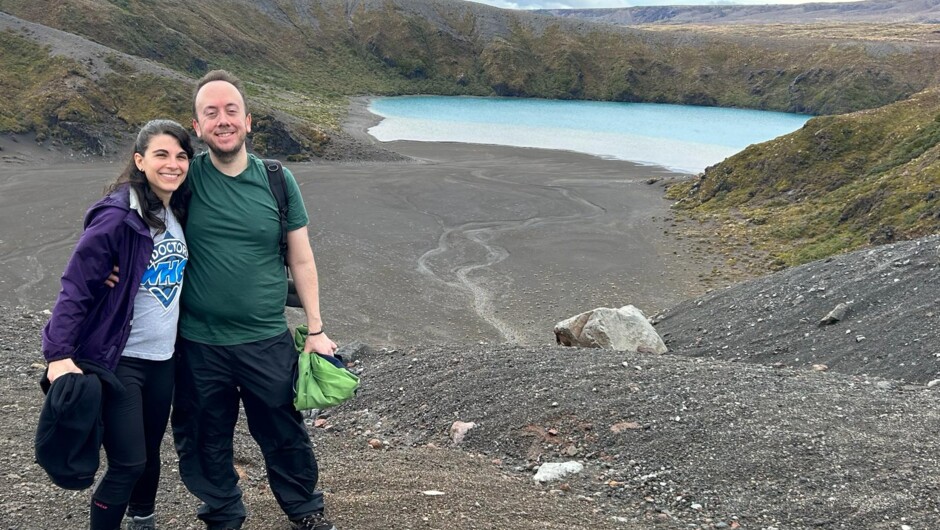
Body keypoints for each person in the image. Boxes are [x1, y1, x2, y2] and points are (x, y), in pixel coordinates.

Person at [170, 69, 338, 530]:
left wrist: (316, 329)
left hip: (265, 337)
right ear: (198, 126)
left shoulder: (278, 181)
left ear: (248, 121)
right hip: (198, 341)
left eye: (231, 111)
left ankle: (304, 511)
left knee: (283, 433)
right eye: (211, 113)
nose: (222, 120)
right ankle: (222, 514)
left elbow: (302, 260)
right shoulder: (183, 181)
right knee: (203, 438)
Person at [41, 119, 193, 530]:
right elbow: (76, 284)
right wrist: (57, 354)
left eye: (181, 156)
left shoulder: (176, 207)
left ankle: (142, 519)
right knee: (128, 462)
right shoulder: (118, 214)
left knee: (149, 454)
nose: (173, 164)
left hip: (162, 359)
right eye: (161, 154)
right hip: (118, 358)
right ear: (139, 159)